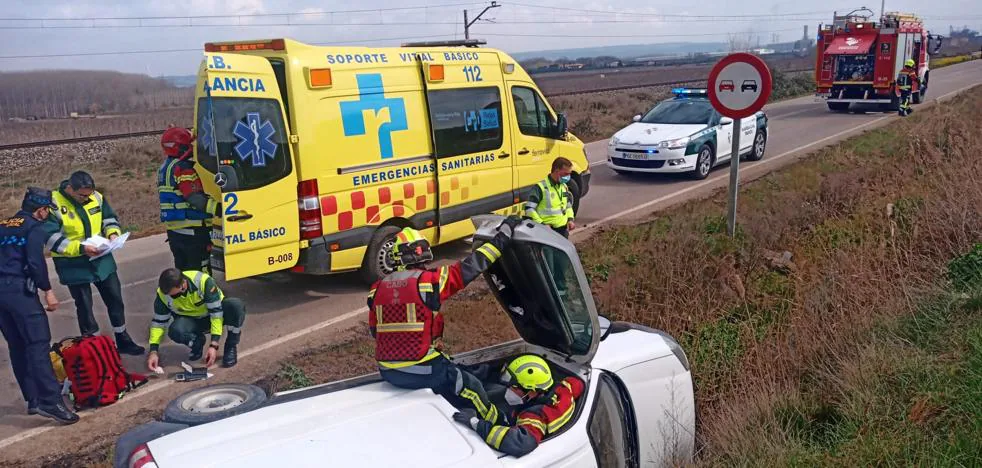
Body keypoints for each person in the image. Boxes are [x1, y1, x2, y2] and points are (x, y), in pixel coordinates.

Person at [367, 219, 521, 426]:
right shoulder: (430, 281)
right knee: (471, 386)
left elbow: (375, 330)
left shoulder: (376, 289)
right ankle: (500, 422)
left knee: (455, 369)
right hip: (421, 368)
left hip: (387, 371)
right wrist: (502, 238)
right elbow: (473, 265)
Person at [0, 188, 79, 424]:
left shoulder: (3, 224)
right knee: (37, 344)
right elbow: (36, 263)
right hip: (19, 293)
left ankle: (33, 399)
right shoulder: (34, 228)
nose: (47, 215)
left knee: (17, 345)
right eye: (47, 210)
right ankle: (50, 402)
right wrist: (48, 292)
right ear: (41, 210)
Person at [44, 171, 144, 355]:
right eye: (82, 195)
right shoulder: (54, 203)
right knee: (84, 305)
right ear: (70, 189)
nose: (86, 198)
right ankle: (95, 347)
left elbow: (109, 218)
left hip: (101, 256)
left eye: (88, 195)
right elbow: (50, 238)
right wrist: (81, 248)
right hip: (73, 262)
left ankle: (123, 338)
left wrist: (112, 233)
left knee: (115, 298)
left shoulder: (96, 196)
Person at [452, 354, 584, 457]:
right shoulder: (565, 388)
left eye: (514, 387)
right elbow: (579, 383)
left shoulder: (533, 416)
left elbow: (522, 443)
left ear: (532, 392)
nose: (508, 389)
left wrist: (475, 423)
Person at [146, 268, 246, 370]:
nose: (171, 297)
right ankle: (197, 342)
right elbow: (158, 323)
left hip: (214, 315)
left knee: (236, 306)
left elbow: (216, 314)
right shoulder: (164, 294)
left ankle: (231, 345)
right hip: (192, 321)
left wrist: (213, 345)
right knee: (175, 330)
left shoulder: (204, 282)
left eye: (174, 295)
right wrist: (153, 351)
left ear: (183, 285)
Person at [158, 127, 219, 273]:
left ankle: (187, 296)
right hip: (193, 231)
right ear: (181, 147)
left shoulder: (164, 168)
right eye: (188, 144)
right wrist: (220, 209)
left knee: (183, 273)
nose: (191, 148)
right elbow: (194, 198)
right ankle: (204, 296)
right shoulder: (183, 168)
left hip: (175, 232)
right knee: (201, 273)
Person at [524, 157, 576, 291]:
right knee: (548, 264)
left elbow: (568, 205)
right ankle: (549, 292)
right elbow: (529, 209)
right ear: (556, 171)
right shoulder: (541, 187)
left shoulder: (563, 186)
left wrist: (570, 219)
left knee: (562, 263)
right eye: (565, 174)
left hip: (562, 231)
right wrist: (541, 224)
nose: (568, 177)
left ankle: (562, 291)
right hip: (547, 233)